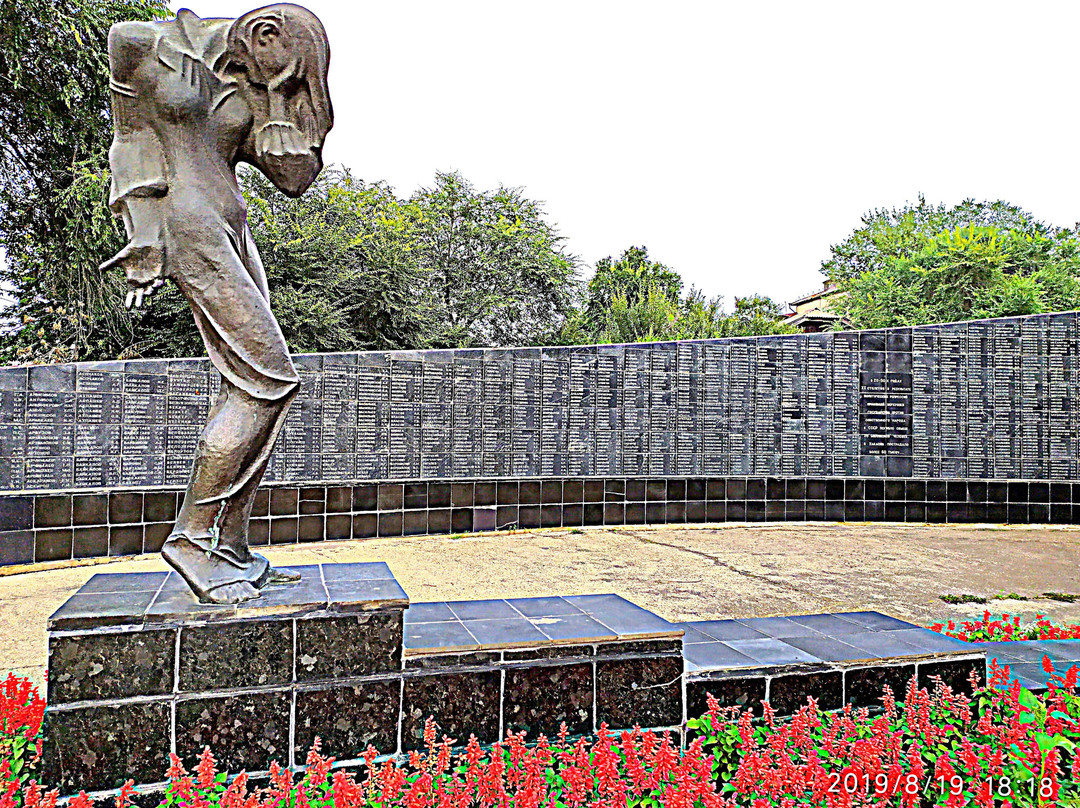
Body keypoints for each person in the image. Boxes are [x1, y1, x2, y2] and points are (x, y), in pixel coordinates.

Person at [100, 4, 333, 603]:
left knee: (257, 388)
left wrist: (287, 134)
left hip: (234, 225)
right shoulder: (136, 44)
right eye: (285, 72)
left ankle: (229, 545)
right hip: (189, 223)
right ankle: (192, 537)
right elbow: (129, 141)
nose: (279, 82)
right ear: (265, 35)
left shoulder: (255, 88)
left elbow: (294, 181)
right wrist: (143, 233)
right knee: (268, 380)